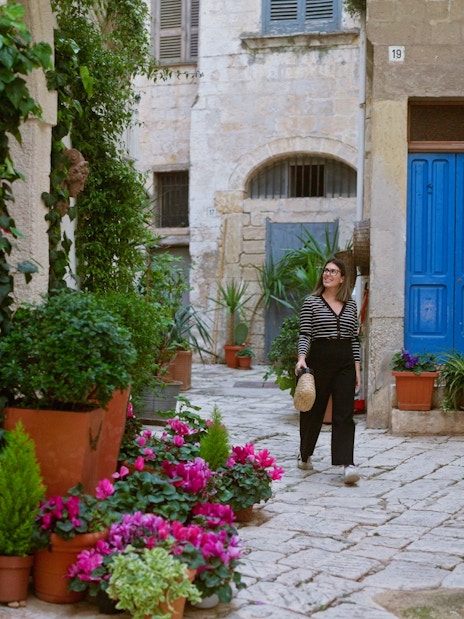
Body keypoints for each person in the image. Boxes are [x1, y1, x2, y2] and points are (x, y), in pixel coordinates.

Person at [294, 257, 361, 484]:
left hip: (345, 362)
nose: (328, 274)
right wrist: (302, 358)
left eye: (333, 272)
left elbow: (354, 340)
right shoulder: (311, 302)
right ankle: (305, 454)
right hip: (319, 360)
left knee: (345, 413)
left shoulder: (351, 305)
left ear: (342, 279)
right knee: (313, 411)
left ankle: (347, 464)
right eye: (326, 271)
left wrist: (357, 370)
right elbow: (305, 334)